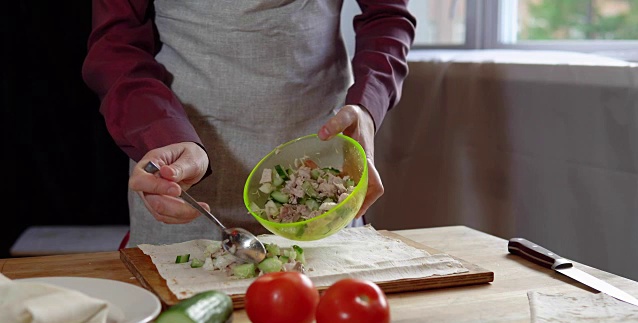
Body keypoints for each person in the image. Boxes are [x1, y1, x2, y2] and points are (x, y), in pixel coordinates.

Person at [82, 0, 416, 247]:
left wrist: (366, 110)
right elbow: (116, 47)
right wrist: (159, 133)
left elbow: (387, 15)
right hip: (184, 172)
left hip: (320, 169)